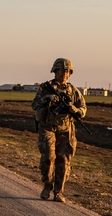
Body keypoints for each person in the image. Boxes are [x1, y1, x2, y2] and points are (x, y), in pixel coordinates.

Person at [32, 58, 87, 202]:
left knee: (64, 160)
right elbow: (34, 104)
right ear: (55, 71)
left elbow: (83, 108)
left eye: (67, 71)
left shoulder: (73, 91)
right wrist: (47, 98)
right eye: (62, 70)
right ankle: (47, 185)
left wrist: (75, 109)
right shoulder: (46, 87)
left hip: (66, 128)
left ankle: (59, 192)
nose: (64, 73)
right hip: (48, 126)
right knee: (49, 158)